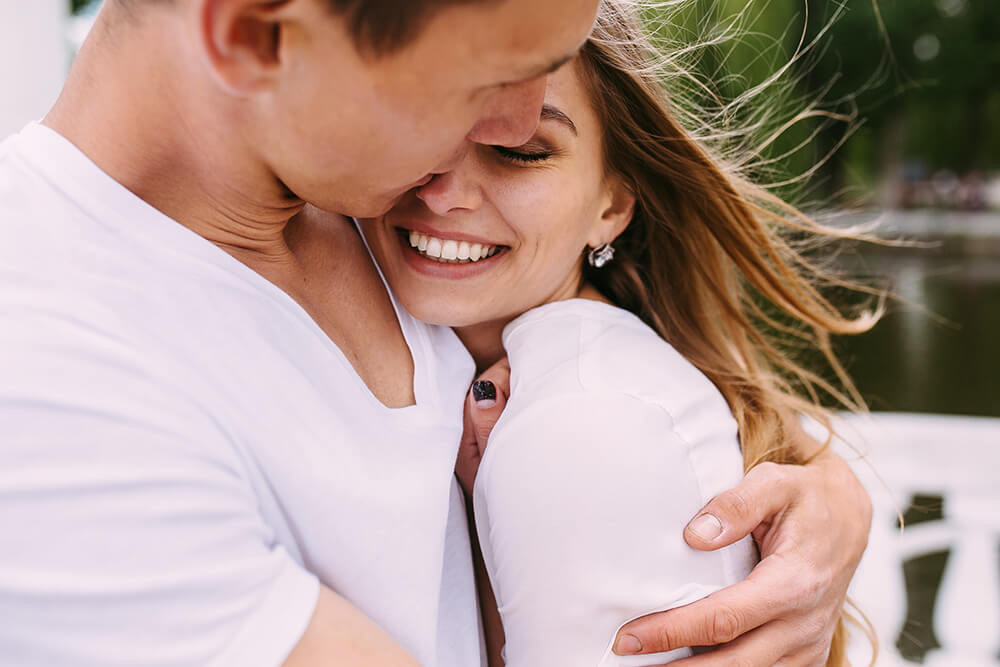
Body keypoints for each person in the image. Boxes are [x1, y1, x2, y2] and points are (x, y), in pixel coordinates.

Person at [0, 0, 870, 665]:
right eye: (486, 78)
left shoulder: (364, 202)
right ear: (255, 35)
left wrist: (818, 500)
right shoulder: (51, 392)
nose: (518, 121)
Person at [359, 1, 878, 664]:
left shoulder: (584, 421)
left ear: (612, 205)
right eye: (423, 124)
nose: (444, 192)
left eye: (520, 153)